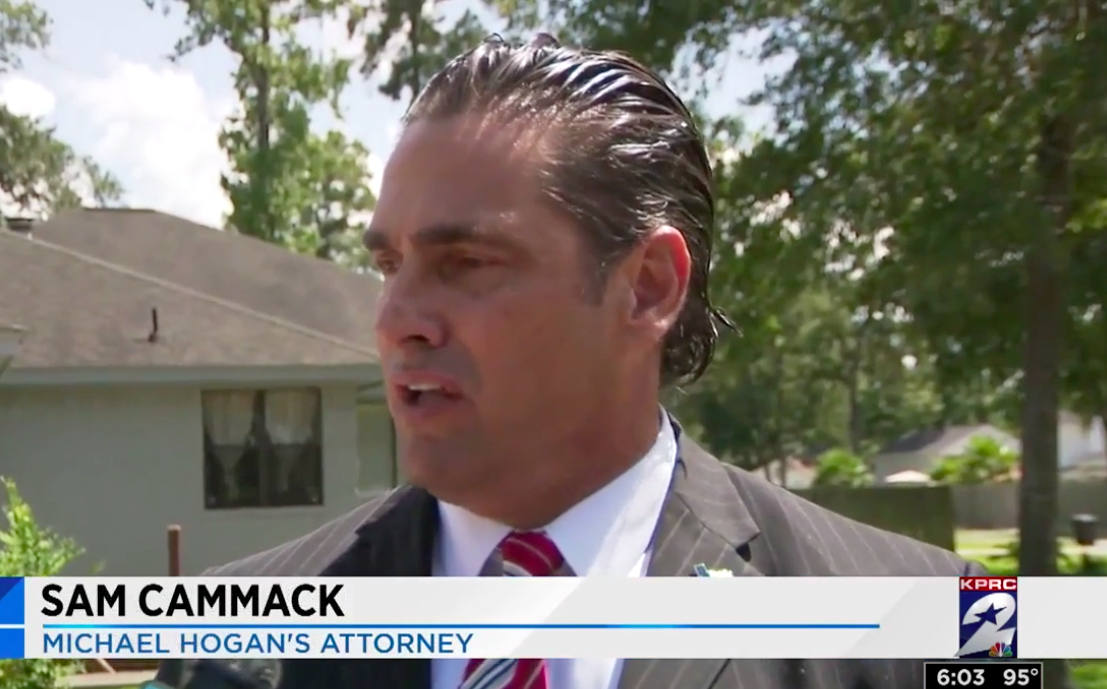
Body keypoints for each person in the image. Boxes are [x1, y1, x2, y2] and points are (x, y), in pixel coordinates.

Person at [156, 34, 981, 689]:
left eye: (465, 263)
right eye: (389, 265)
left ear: (647, 287)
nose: (395, 320)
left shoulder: (950, 625)